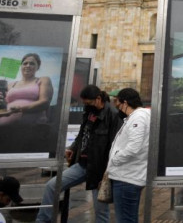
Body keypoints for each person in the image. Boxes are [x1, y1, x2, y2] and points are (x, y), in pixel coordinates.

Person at [35, 85, 121, 223]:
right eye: (85, 103)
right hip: (82, 164)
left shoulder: (112, 115)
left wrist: (107, 173)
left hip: (100, 169)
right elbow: (82, 134)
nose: (86, 106)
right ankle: (43, 221)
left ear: (98, 99)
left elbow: (115, 146)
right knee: (52, 186)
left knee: (101, 210)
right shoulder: (89, 112)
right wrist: (73, 147)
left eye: (88, 103)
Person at [106, 88, 151, 223]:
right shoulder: (139, 116)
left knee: (126, 219)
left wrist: (115, 160)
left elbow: (133, 147)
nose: (117, 106)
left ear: (125, 102)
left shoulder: (139, 116)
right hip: (129, 175)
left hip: (127, 177)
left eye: (117, 103)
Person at [0, 53, 54, 126]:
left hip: (32, 128)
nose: (28, 65)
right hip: (4, 128)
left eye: (32, 64)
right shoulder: (11, 85)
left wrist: (20, 109)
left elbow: (45, 102)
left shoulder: (43, 80)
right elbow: (3, 104)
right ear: (21, 66)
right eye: (25, 63)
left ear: (38, 67)